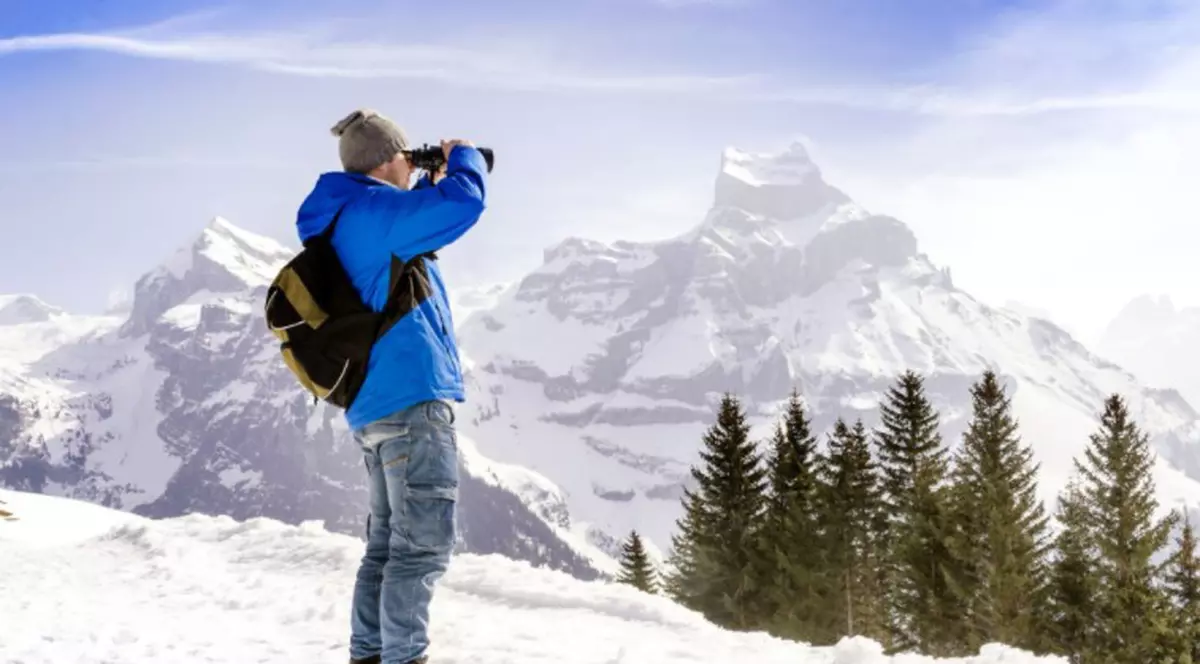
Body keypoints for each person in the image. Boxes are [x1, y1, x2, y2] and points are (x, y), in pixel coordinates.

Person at [294, 108, 488, 664]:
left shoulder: (344, 216)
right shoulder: (376, 210)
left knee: (384, 550)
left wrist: (421, 182)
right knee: (420, 549)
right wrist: (462, 158)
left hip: (375, 409)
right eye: (407, 157)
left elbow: (413, 260)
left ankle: (370, 655)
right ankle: (404, 658)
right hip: (411, 404)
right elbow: (465, 205)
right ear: (389, 160)